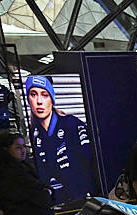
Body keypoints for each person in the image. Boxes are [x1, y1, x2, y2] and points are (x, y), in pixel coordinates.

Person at [25, 76, 94, 204]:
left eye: (45, 95)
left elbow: (91, 162)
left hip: (85, 198)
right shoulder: (36, 137)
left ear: (52, 99)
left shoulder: (72, 124)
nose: (39, 101)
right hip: (60, 203)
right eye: (33, 94)